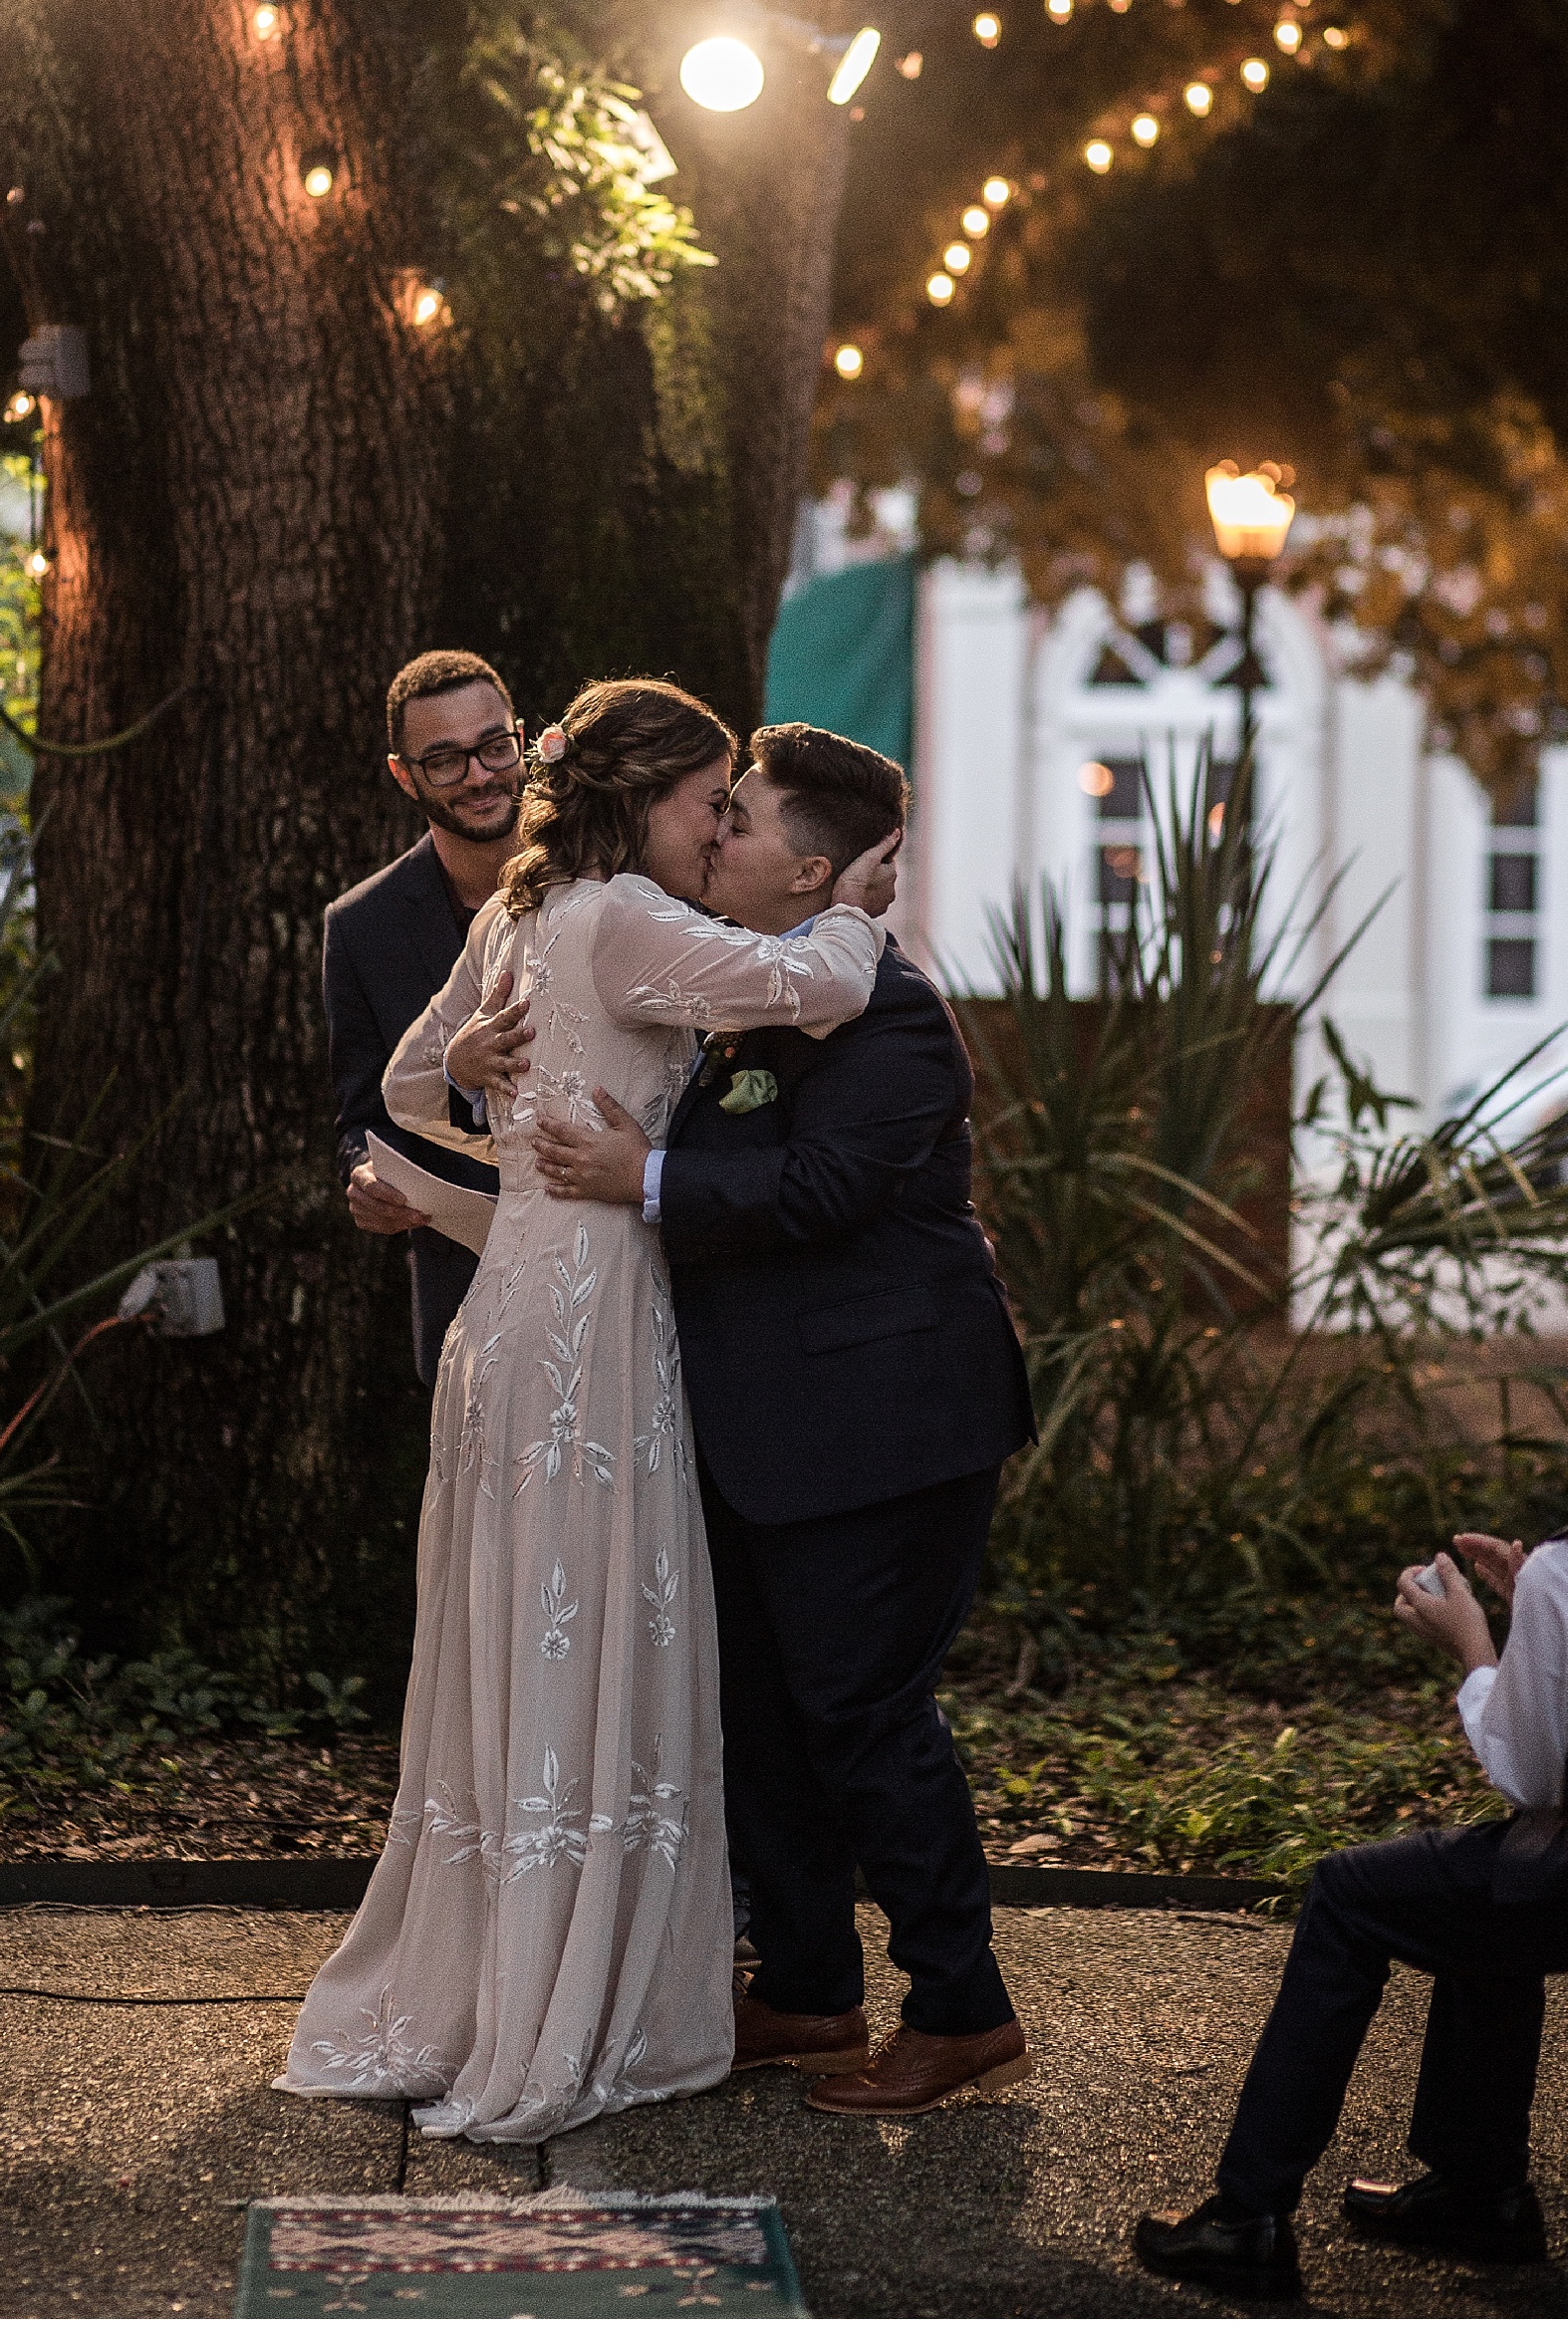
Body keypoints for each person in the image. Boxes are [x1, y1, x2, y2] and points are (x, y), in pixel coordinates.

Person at [278, 679, 901, 2143]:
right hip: (592, 1332)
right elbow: (818, 985)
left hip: (507, 1325)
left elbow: (403, 1078)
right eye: (708, 802)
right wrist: (861, 898)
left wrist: (470, 1076)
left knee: (527, 1640)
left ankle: (506, 1975)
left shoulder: (511, 913)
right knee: (590, 1641)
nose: (721, 824)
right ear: (644, 801)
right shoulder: (616, 914)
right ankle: (565, 1998)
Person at [531, 722, 1038, 2115]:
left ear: (813, 869)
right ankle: (809, 1986)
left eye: (737, 818)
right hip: (758, 1434)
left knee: (866, 1718)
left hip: (884, 1430)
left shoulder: (895, 1017)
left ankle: (963, 2006)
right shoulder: (734, 994)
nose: (713, 835)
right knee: (759, 1714)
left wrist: (645, 1179)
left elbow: (817, 1190)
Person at [1134, 1266, 1568, 2293]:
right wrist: (1538, 1609)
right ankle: (1478, 2186)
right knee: (1482, 1879)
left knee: (1358, 1889)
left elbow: (1530, 1773)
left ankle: (1249, 2212)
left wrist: (1478, 1645)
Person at [323, 651, 522, 1384]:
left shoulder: (607, 875)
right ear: (403, 775)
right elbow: (360, 1114)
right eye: (444, 760)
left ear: (522, 739)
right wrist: (365, 1174)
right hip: (464, 1297)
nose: (478, 775)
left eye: (494, 746)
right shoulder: (360, 928)